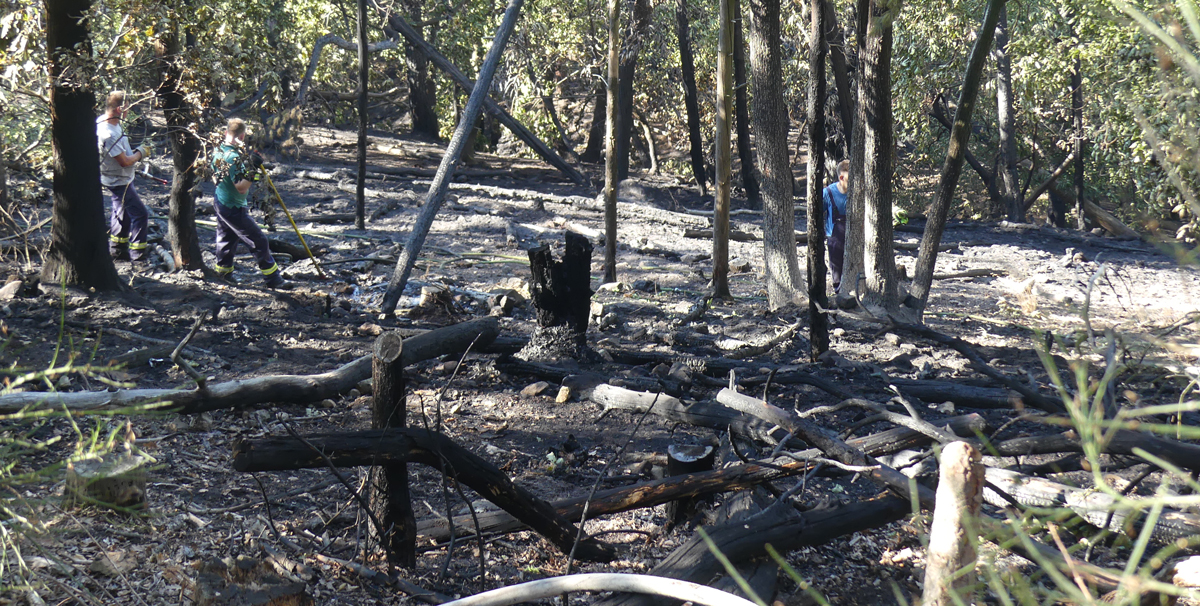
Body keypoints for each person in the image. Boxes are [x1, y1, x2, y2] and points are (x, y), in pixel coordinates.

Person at [211, 118, 290, 289]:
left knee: (226, 238)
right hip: (233, 206)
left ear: (226, 133)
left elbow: (214, 176)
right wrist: (253, 168)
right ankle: (273, 279)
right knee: (258, 240)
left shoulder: (217, 151)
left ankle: (223, 273)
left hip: (220, 201)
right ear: (243, 135)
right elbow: (241, 187)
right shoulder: (233, 157)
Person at [97, 91, 151, 262]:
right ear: (120, 108)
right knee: (140, 214)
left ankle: (118, 251)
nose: (129, 111)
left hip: (122, 178)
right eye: (128, 107)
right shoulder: (108, 133)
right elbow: (125, 161)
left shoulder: (110, 122)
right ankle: (138, 255)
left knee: (121, 214)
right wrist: (140, 153)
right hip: (118, 180)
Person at [822, 159, 850, 293]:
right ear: (841, 177)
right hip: (834, 237)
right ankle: (839, 294)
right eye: (851, 179)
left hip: (854, 236)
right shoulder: (828, 193)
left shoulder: (857, 193)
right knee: (837, 270)